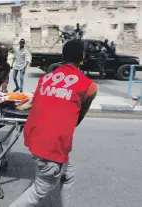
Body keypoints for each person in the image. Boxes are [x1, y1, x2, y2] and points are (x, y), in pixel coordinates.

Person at [9, 39, 97, 207]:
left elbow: (36, 103)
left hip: (35, 136)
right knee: (39, 191)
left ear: (63, 56)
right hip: (53, 144)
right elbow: (77, 118)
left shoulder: (46, 78)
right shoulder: (89, 86)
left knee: (68, 173)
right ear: (83, 57)